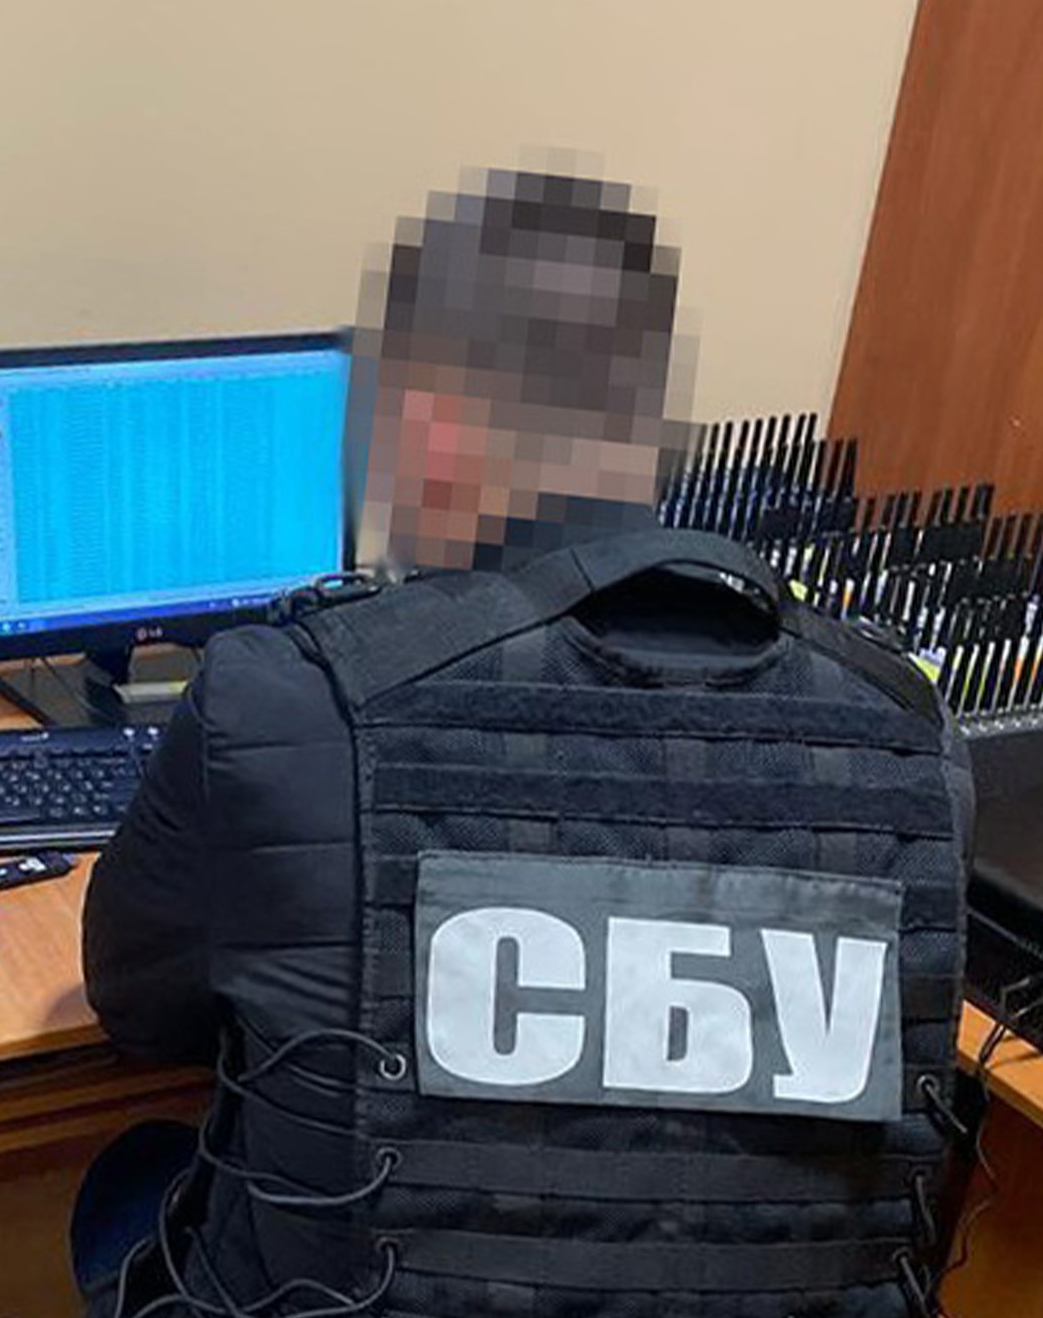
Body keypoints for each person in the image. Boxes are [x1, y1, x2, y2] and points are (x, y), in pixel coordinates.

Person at [78, 170, 968, 1316]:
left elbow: (138, 1006)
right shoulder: (906, 740)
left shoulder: (288, 700)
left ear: (429, 427)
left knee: (130, 1181)